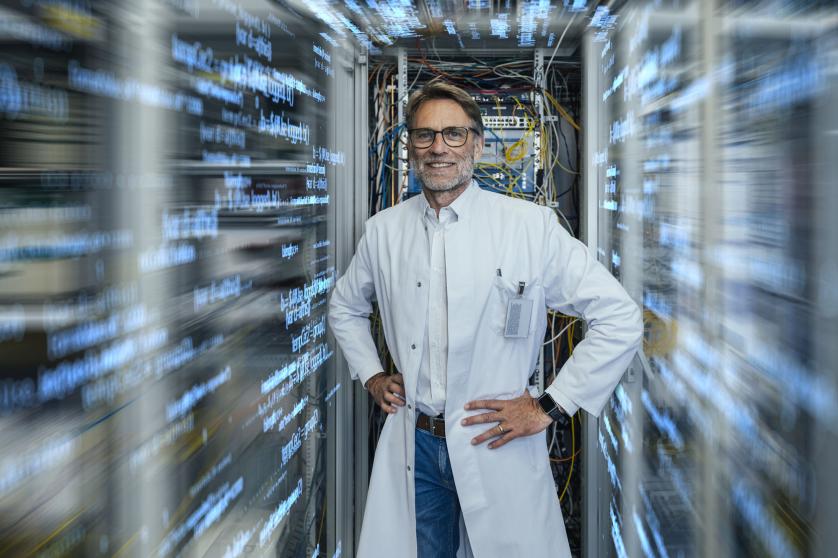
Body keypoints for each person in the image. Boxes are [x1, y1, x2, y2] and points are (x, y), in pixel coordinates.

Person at [328, 81, 643, 558]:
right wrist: (371, 374)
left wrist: (549, 406)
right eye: (424, 135)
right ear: (410, 146)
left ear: (477, 143)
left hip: (495, 440)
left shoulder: (527, 226)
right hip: (416, 445)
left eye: (454, 134)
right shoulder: (383, 233)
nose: (438, 148)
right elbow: (345, 308)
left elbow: (619, 316)